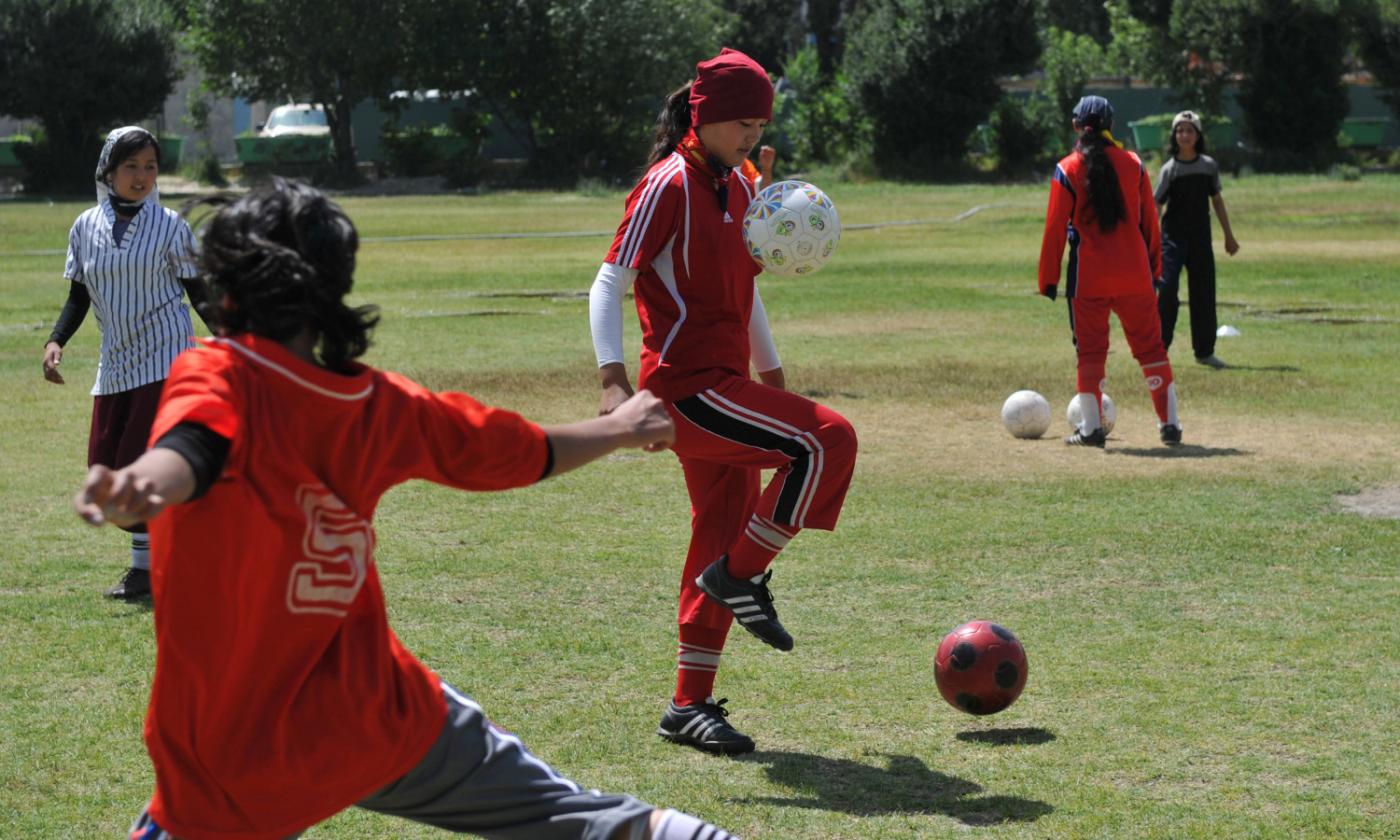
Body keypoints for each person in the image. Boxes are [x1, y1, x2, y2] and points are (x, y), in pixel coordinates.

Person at [73, 180, 737, 840]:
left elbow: (194, 447)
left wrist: (143, 482)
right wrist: (621, 427)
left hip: (238, 757)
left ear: (227, 290)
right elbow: (519, 452)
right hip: (379, 715)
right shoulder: (380, 405)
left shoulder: (219, 371)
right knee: (582, 822)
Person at [588, 48, 858, 755]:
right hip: (687, 387)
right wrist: (613, 379)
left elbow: (751, 289)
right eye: (740, 121)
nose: (750, 134)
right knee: (831, 441)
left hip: (729, 385)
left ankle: (689, 705)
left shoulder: (741, 184)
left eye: (759, 122)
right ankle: (741, 576)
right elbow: (609, 281)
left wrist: (773, 377)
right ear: (705, 118)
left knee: (719, 523)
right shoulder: (667, 183)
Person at [43, 125, 211, 600]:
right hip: (115, 361)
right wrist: (56, 341)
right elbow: (78, 296)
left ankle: (147, 571)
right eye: (131, 166)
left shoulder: (170, 225)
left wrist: (238, 343)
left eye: (150, 167)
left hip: (167, 357)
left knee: (139, 462)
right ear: (109, 171)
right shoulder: (84, 227)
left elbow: (200, 294)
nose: (141, 176)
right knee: (106, 466)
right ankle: (170, 553)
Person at [1037, 95, 1183, 447]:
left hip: (1089, 278)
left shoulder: (1067, 168)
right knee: (1152, 350)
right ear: (1111, 126)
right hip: (1135, 275)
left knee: (1090, 352)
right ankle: (1171, 425)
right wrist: (1155, 270)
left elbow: (1055, 228)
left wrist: (1048, 279)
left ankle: (1090, 430)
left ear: (1075, 126)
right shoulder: (1134, 163)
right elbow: (1150, 221)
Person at [1154, 110, 1240, 369]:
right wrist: (1150, 240)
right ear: (1174, 135)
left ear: (1198, 135)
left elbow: (1217, 201)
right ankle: (1158, 351)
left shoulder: (1208, 166)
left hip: (1200, 238)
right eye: (1180, 130)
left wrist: (1229, 236)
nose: (1184, 135)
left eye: (1189, 130)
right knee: (1167, 292)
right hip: (1172, 239)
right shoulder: (1170, 170)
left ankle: (1204, 352)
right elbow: (1156, 205)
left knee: (1204, 293)